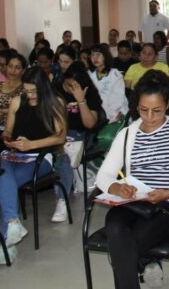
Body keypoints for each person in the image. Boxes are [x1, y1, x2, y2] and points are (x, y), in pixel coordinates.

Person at [98, 70, 169, 289]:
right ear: (136, 106)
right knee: (115, 225)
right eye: (143, 110)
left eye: (156, 111)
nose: (149, 117)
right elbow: (103, 174)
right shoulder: (128, 133)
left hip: (165, 204)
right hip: (132, 202)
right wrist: (116, 187)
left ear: (167, 104)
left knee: (124, 247)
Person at [0, 67, 67, 263]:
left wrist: (31, 144)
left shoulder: (55, 103)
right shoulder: (18, 102)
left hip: (40, 158)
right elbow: (6, 131)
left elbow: (60, 136)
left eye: (34, 91)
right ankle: (12, 224)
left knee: (4, 184)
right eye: (27, 91)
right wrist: (9, 140)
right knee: (2, 173)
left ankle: (7, 244)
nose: (31, 96)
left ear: (43, 87)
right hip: (13, 156)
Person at [53, 61, 102, 222]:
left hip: (81, 135)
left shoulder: (90, 94)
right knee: (60, 151)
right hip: (58, 132)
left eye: (74, 85)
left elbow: (89, 124)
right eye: (68, 85)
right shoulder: (57, 90)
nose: (69, 89)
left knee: (64, 155)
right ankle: (64, 185)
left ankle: (62, 200)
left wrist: (81, 100)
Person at [88, 44, 128, 123]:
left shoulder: (115, 74)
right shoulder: (88, 74)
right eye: (92, 55)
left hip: (115, 113)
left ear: (105, 56)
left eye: (98, 55)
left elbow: (117, 100)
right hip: (96, 112)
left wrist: (108, 115)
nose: (95, 58)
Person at [0, 52, 26, 127]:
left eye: (17, 67)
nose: (13, 70)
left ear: (23, 70)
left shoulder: (25, 89)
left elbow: (26, 113)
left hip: (15, 128)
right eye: (10, 66)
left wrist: (10, 112)